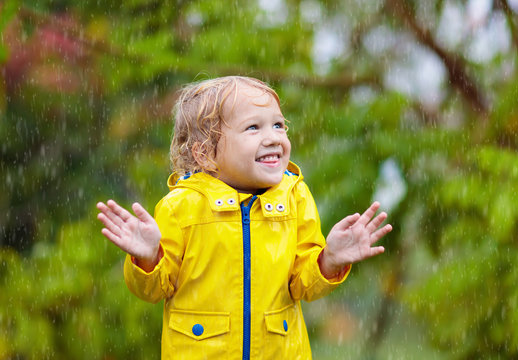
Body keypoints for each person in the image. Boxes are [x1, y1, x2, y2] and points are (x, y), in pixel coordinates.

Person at [96, 76, 392, 360]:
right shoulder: (181, 206)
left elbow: (304, 286)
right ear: (204, 153)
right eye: (253, 128)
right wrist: (147, 259)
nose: (273, 137)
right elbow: (153, 290)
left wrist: (330, 260)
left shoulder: (295, 197)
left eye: (278, 125)